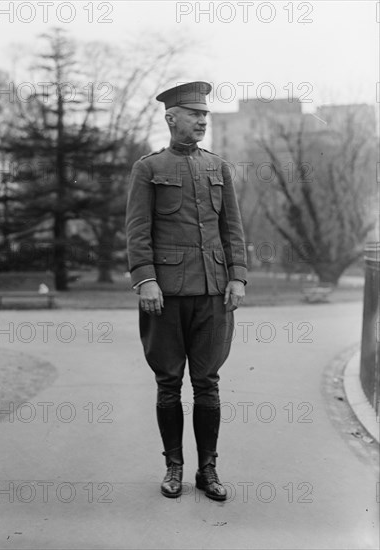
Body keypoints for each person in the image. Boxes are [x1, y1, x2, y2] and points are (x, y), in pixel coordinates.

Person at [125, 81, 247, 501]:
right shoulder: (149, 168)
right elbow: (138, 231)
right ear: (171, 117)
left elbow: (232, 229)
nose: (201, 120)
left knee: (208, 383)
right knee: (168, 382)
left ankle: (207, 470)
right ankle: (173, 467)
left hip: (213, 293)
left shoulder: (219, 167)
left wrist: (238, 276)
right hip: (165, 296)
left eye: (205, 115)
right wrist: (146, 279)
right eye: (194, 113)